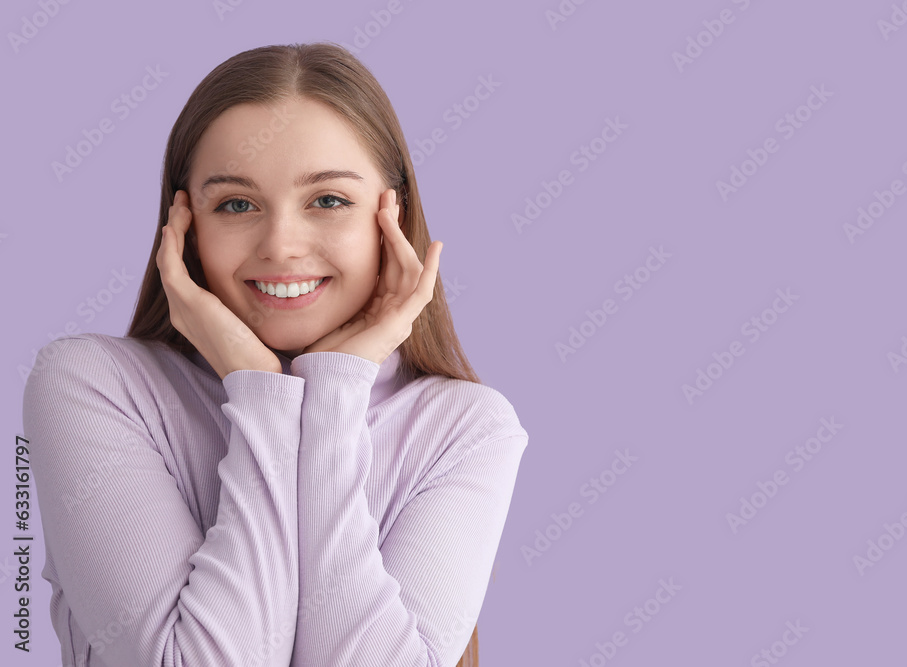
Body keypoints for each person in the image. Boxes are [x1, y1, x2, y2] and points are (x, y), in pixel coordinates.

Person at [22, 42, 529, 667]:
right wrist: (260, 389)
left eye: (328, 200)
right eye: (236, 203)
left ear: (392, 218)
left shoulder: (467, 429)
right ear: (186, 226)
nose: (281, 245)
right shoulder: (92, 386)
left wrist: (335, 393)